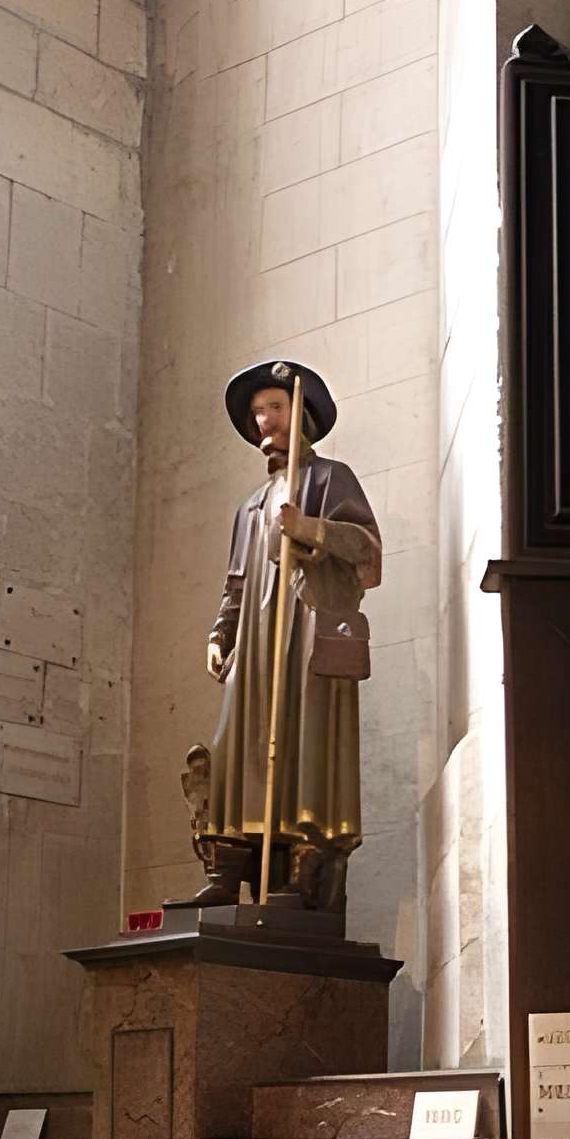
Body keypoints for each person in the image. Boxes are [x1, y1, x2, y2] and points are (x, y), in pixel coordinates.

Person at [168, 358, 381, 913]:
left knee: (304, 746)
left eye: (276, 408)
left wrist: (310, 528)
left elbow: (368, 552)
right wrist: (221, 633)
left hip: (306, 635)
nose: (265, 421)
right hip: (257, 645)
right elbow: (235, 583)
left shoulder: (331, 479)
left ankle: (300, 873)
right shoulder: (249, 506)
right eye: (258, 411)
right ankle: (229, 870)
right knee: (236, 747)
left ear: (301, 413)